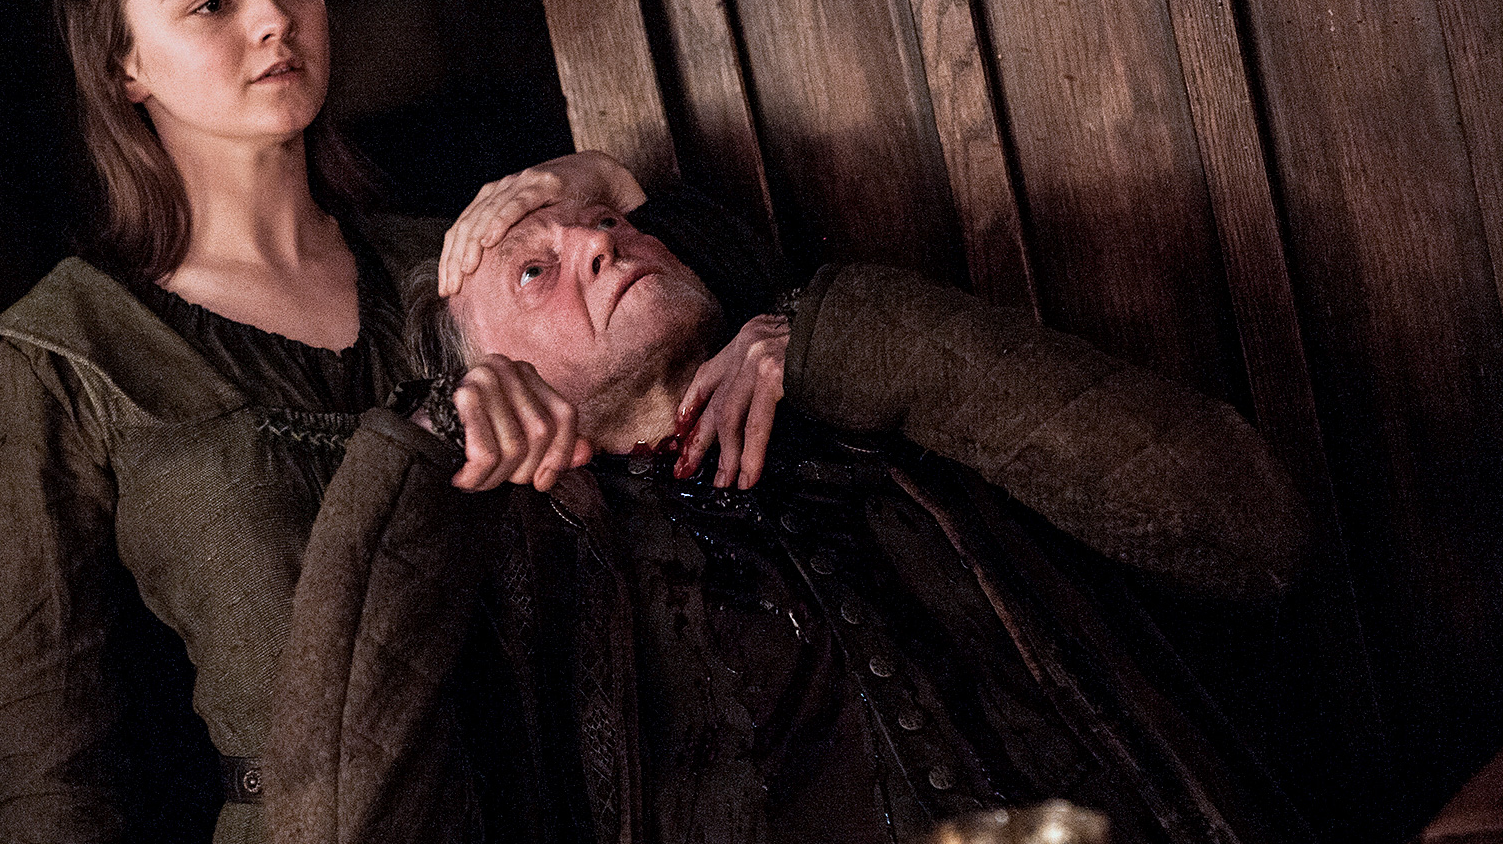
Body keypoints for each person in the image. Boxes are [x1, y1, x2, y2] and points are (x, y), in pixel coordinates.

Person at [0, 0, 778, 844]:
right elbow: (47, 755)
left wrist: (618, 189)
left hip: (577, 809)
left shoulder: (458, 263)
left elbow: (666, 368)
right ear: (121, 65)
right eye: (214, 1)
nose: (275, 19)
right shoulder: (67, 350)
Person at [266, 198, 1317, 844]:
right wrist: (421, 453)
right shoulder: (523, 591)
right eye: (534, 270)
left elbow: (1251, 529)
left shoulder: (884, 415)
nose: (600, 241)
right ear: (489, 380)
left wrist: (838, 341)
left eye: (613, 224)